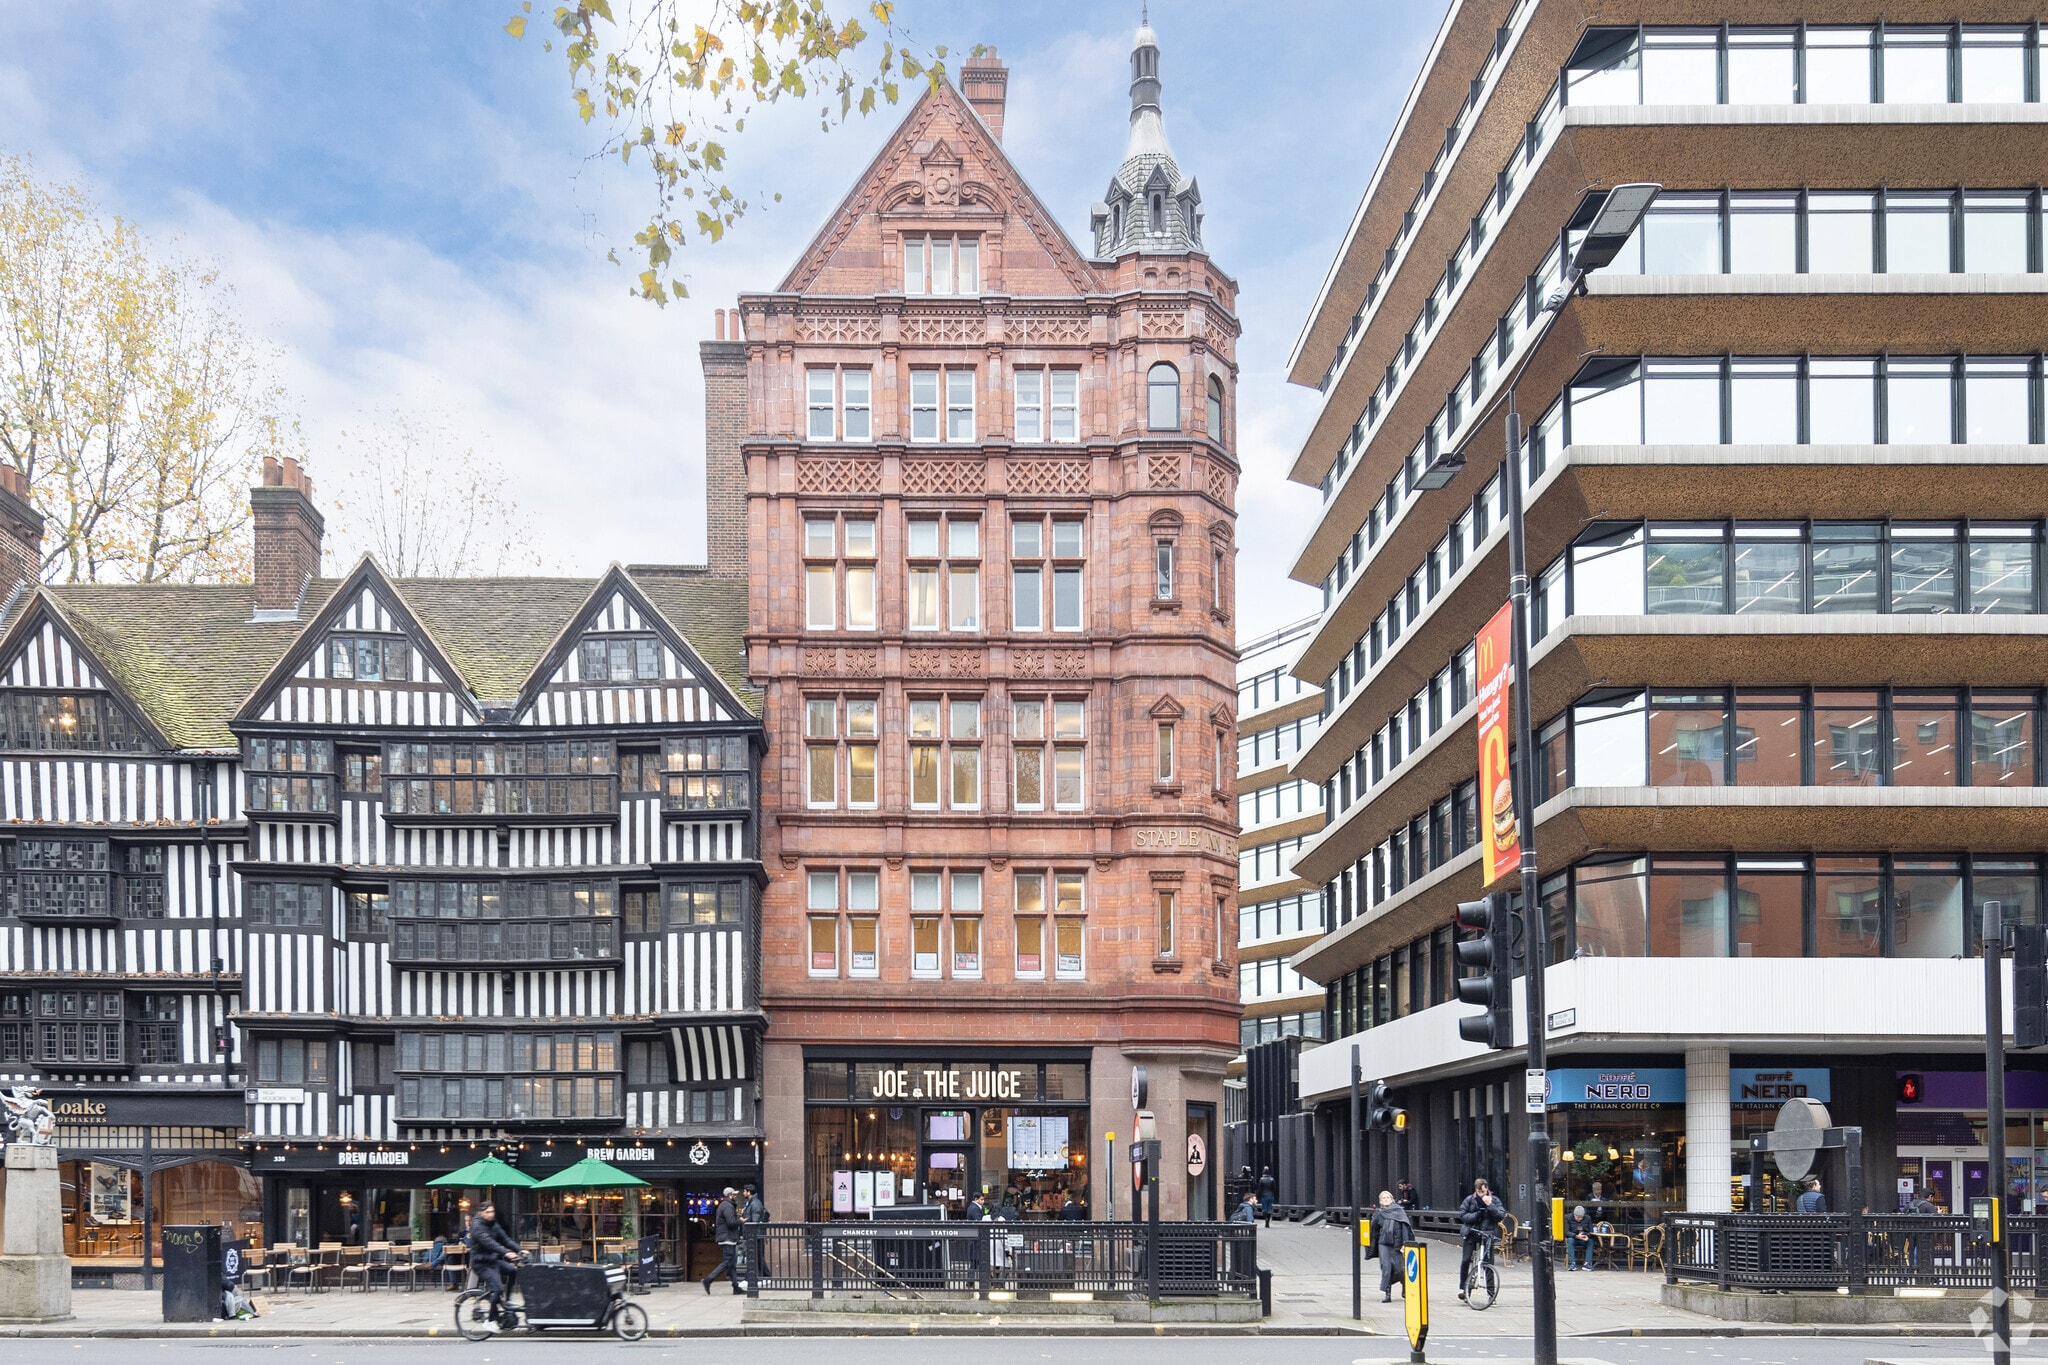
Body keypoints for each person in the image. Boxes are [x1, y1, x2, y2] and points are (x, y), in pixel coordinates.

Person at [465, 1202, 523, 1324]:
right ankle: (491, 1321)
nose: (491, 1215)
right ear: (481, 1213)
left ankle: (507, 1301)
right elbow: (490, 1243)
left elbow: (505, 1239)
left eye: (492, 1212)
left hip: (493, 1260)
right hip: (481, 1264)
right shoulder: (477, 1227)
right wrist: (506, 1253)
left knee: (513, 1270)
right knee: (497, 1289)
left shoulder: (493, 1224)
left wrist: (520, 1250)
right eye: (488, 1212)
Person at [1456, 1178, 1506, 1299]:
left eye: (1483, 1191)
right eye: (1479, 1192)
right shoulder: (1469, 1200)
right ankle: (1464, 1288)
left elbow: (1500, 1216)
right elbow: (1462, 1215)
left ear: (1487, 1188)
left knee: (1488, 1263)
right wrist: (1476, 1215)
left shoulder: (1494, 1200)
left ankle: (1491, 1294)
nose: (1482, 1194)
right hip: (1472, 1233)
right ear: (1476, 1190)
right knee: (1466, 1260)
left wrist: (1490, 1205)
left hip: (1487, 1234)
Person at [1369, 1191, 1413, 1303]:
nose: (1386, 1199)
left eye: (1388, 1197)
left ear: (1392, 1199)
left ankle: (1405, 1288)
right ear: (1380, 1201)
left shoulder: (1399, 1211)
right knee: (1386, 1268)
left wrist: (1405, 1243)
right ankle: (1387, 1294)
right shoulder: (1378, 1213)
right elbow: (1373, 1230)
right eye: (1383, 1198)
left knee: (1400, 1270)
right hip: (1383, 1244)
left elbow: (1405, 1228)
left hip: (1397, 1244)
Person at [701, 1187, 743, 1294]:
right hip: (727, 1238)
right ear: (729, 1195)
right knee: (727, 1262)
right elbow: (731, 1222)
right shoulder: (727, 1206)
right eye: (733, 1194)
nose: (735, 1196)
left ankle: (735, 1287)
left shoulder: (724, 1205)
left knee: (732, 1264)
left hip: (727, 1238)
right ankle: (708, 1280)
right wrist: (741, 1221)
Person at [1565, 1204, 1595, 1271]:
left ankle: (1587, 1264)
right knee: (1570, 1240)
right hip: (1573, 1237)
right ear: (1574, 1214)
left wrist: (1587, 1235)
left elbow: (1591, 1231)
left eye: (1581, 1217)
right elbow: (1566, 1232)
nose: (1579, 1219)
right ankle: (1572, 1263)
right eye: (1577, 1217)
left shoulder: (1588, 1218)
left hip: (1583, 1238)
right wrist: (1576, 1236)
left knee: (1591, 1241)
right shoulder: (1567, 1217)